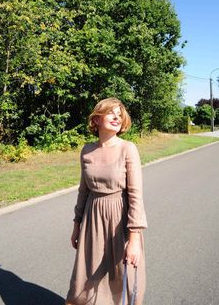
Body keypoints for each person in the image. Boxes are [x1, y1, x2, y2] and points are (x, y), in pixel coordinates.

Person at [66, 97, 147, 305]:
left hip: (120, 218)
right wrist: (76, 225)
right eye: (111, 113)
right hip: (92, 220)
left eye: (120, 115)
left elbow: (136, 195)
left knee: (123, 275)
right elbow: (83, 191)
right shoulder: (86, 150)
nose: (116, 118)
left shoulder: (128, 148)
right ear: (97, 119)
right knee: (88, 275)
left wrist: (134, 238)